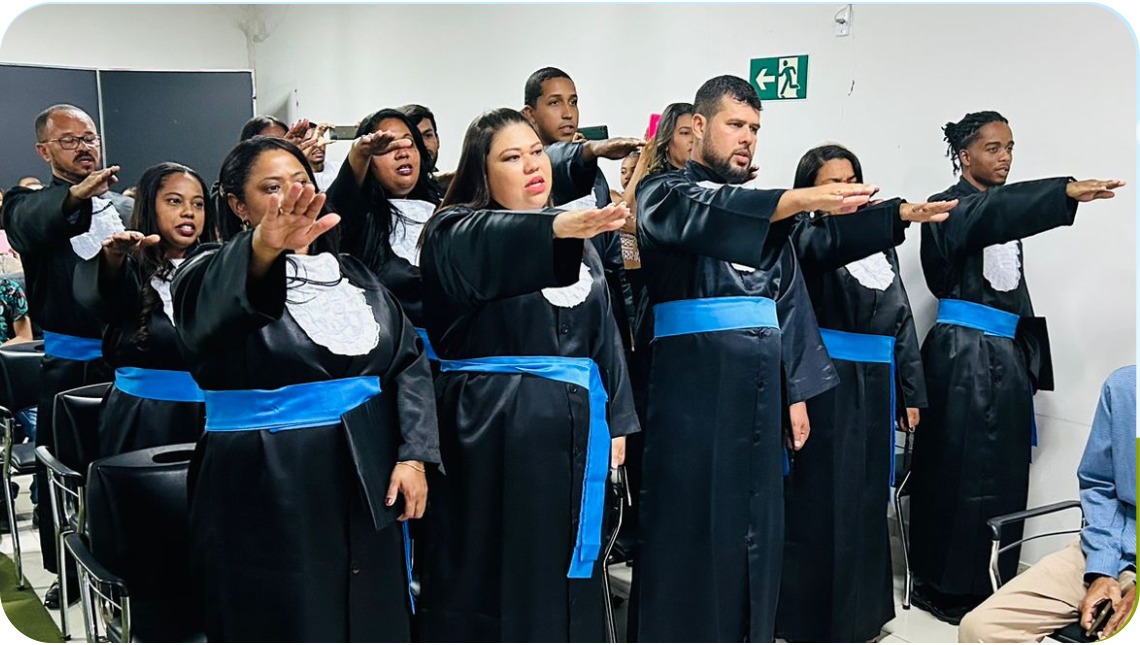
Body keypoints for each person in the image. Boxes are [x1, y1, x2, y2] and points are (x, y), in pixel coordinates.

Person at [629, 75, 878, 643]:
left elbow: (786, 300)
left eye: (756, 129)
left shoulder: (765, 216)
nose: (747, 138)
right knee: (692, 524)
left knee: (758, 524)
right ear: (697, 127)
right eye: (735, 125)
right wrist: (803, 199)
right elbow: (712, 212)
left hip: (762, 387)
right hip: (692, 389)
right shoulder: (663, 193)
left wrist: (796, 389)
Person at [172, 136, 439, 641]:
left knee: (371, 610)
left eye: (301, 182)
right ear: (236, 205)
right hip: (266, 479)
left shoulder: (355, 274)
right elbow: (209, 316)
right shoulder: (205, 270)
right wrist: (265, 248)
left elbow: (407, 362)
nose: (292, 196)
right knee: (285, 612)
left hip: (369, 472)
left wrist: (414, 456)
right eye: (272, 187)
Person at [417, 108, 639, 642]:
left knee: (567, 565)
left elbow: (604, 336)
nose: (531, 166)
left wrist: (619, 419)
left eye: (536, 152)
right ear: (482, 173)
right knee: (499, 569)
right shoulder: (452, 232)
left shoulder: (580, 241)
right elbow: (491, 238)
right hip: (491, 431)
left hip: (575, 425)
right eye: (511, 158)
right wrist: (558, 226)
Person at [909, 110, 1126, 623]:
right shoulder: (946, 208)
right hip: (960, 359)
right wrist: (1063, 192)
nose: (1005, 157)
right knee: (952, 476)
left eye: (1010, 147)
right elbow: (991, 213)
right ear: (964, 155)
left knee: (1006, 474)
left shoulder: (1002, 217)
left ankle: (993, 586)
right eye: (993, 148)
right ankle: (943, 588)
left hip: (1004, 358)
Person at [777, 144, 955, 642]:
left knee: (866, 499)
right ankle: (810, 618)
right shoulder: (802, 235)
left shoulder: (881, 245)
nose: (845, 190)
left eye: (852, 179)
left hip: (877, 385)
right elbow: (791, 320)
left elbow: (901, 321)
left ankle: (861, 613)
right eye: (832, 182)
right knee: (821, 499)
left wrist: (910, 391)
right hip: (826, 381)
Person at [1, 103, 127, 609]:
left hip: (130, 363)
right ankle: (68, 572)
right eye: (70, 140)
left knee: (124, 470)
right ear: (44, 150)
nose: (84, 146)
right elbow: (29, 223)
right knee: (68, 475)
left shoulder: (122, 203)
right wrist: (75, 195)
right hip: (71, 365)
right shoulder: (28, 204)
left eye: (90, 137)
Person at [958, 365, 1136, 642]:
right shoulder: (1125, 386)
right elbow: (1100, 485)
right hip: (1115, 547)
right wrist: (1102, 569)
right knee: (983, 629)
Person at [73, 162, 213, 458]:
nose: (189, 211)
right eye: (175, 201)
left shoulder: (218, 269)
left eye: (198, 204)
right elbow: (99, 297)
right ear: (149, 207)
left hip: (216, 418)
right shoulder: (129, 268)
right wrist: (112, 258)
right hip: (144, 420)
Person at [522, 66, 638, 351]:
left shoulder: (593, 176)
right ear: (529, 114)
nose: (567, 113)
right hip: (547, 318)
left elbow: (615, 253)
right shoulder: (524, 173)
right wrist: (593, 149)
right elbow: (557, 159)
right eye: (554, 102)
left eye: (573, 102)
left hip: (599, 310)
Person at [325, 109, 442, 347]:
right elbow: (338, 206)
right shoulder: (360, 221)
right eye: (387, 147)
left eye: (409, 143)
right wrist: (359, 154)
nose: (402, 153)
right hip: (398, 368)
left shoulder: (446, 213)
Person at [398, 104, 441, 172]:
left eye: (427, 135)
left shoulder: (454, 181)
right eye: (414, 137)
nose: (423, 144)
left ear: (438, 140)